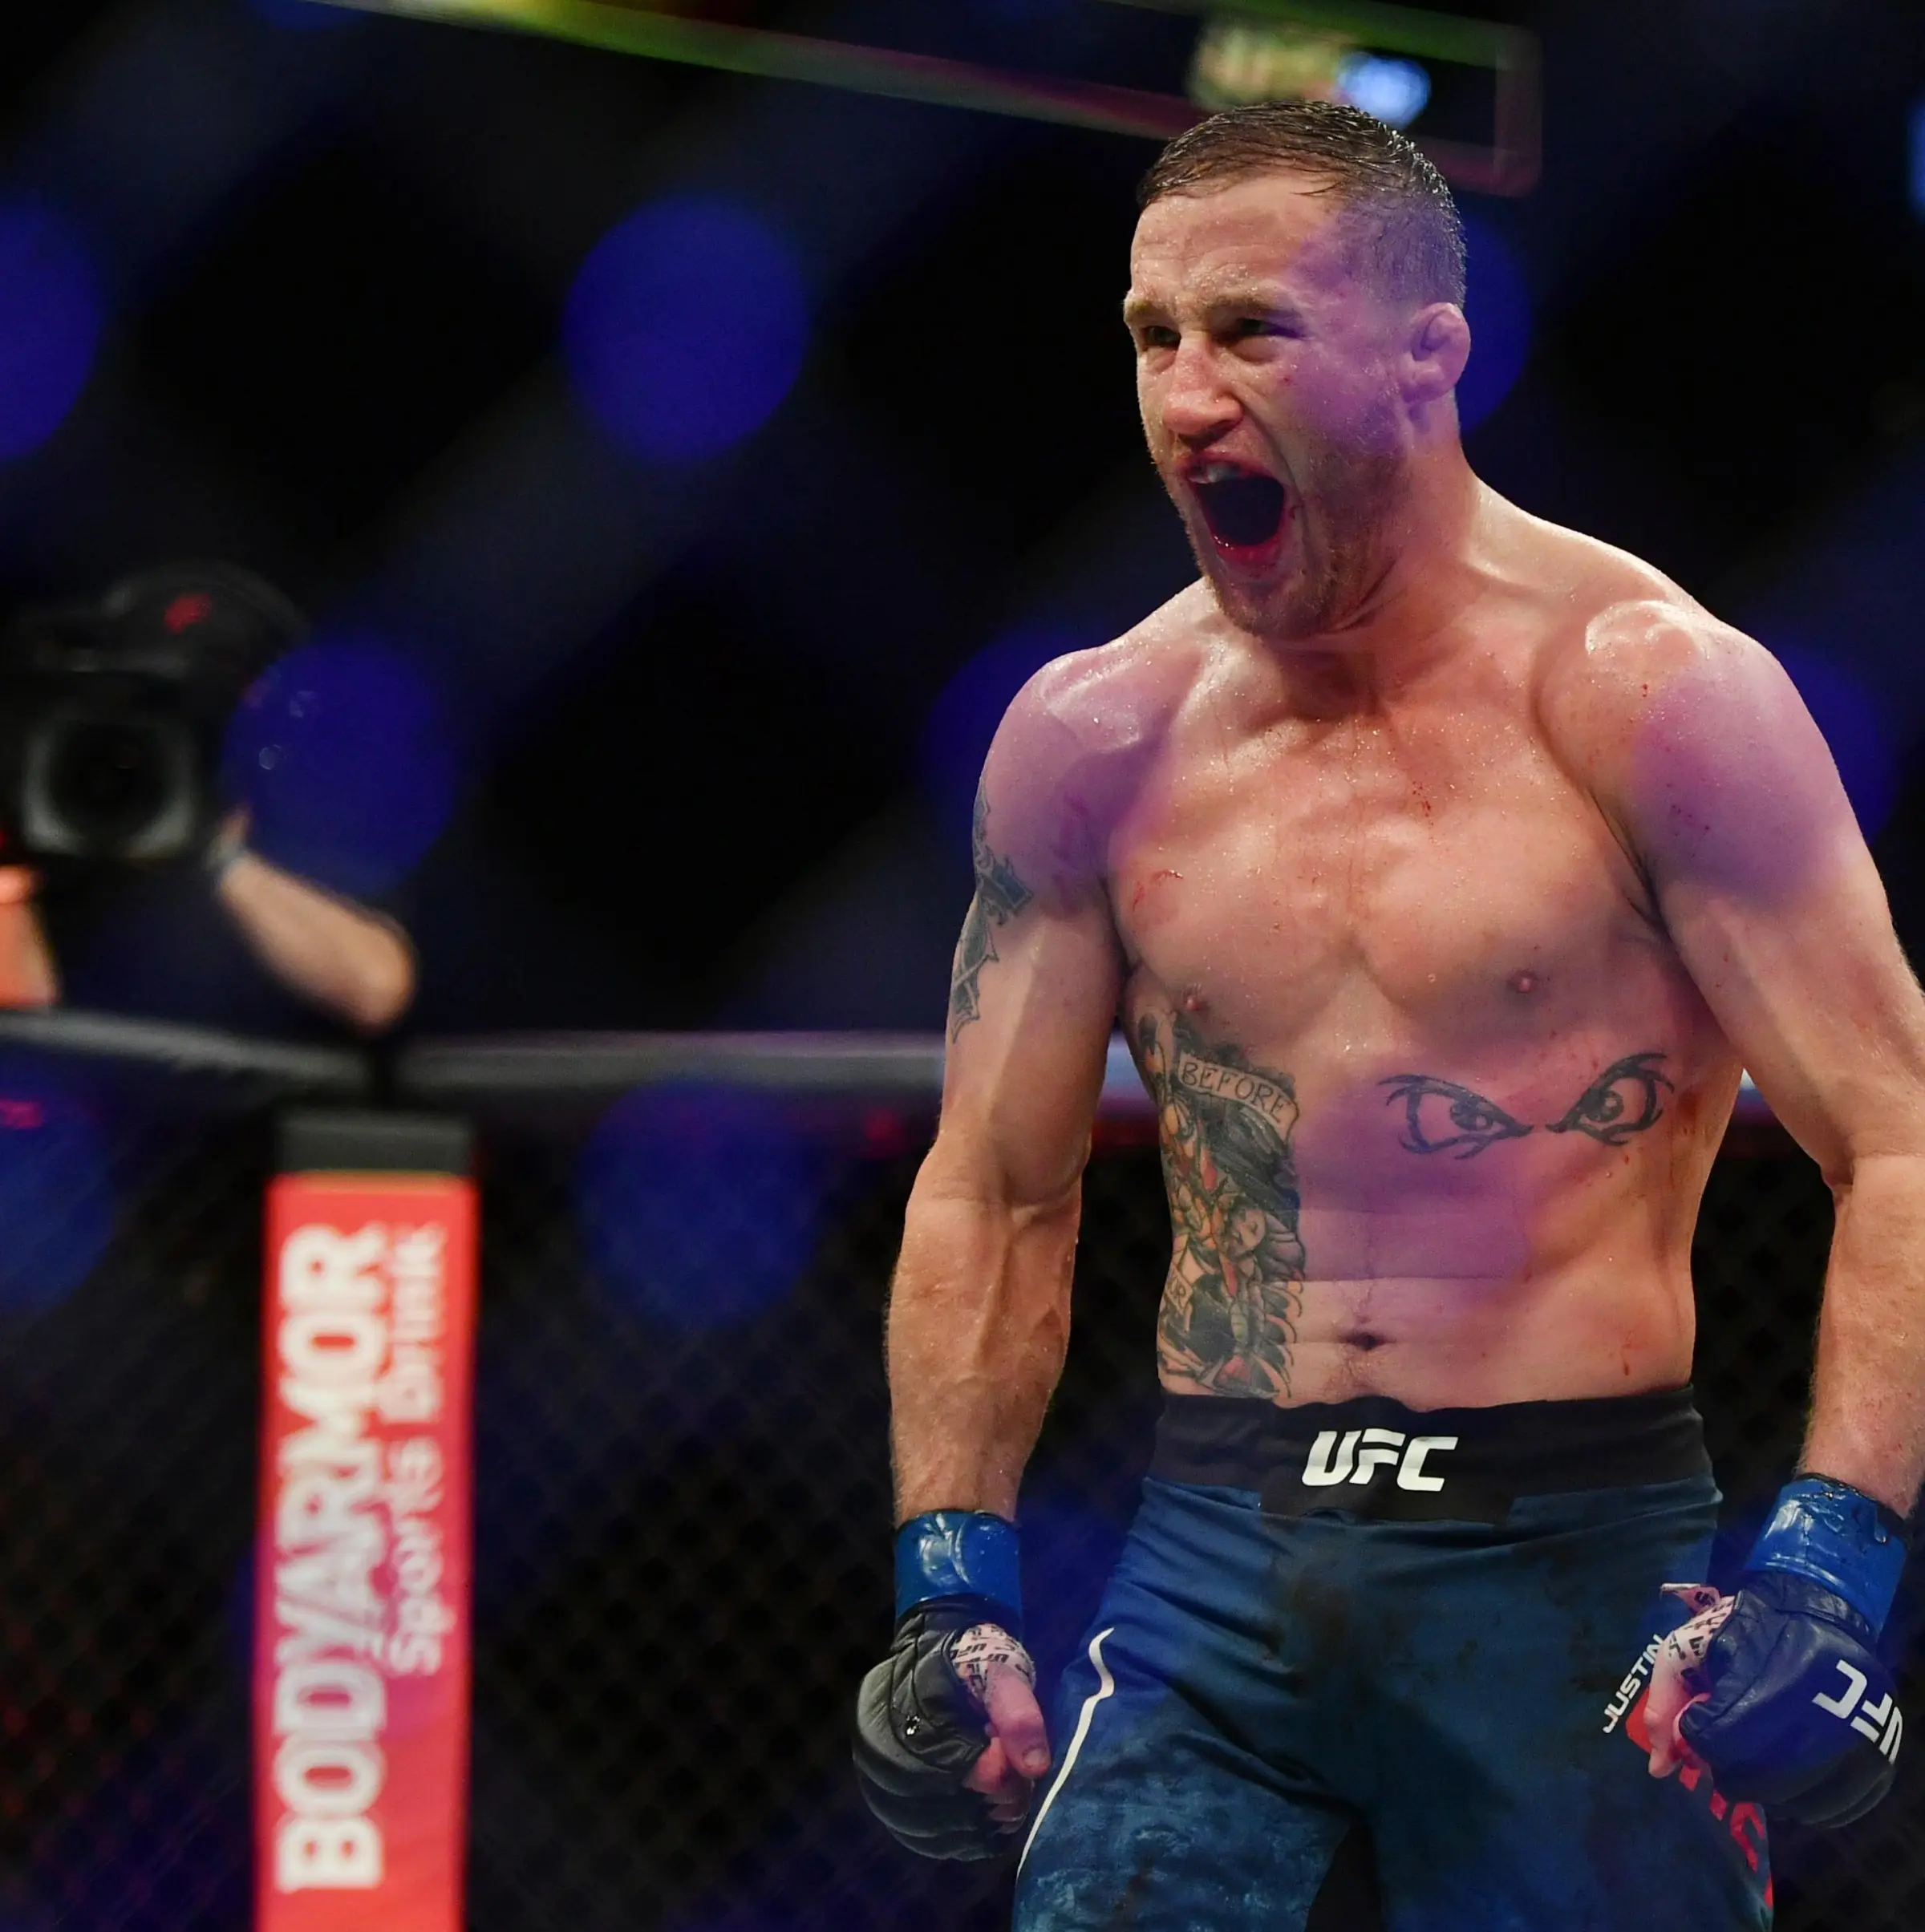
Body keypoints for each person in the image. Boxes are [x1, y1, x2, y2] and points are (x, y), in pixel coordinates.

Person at [853, 100, 1925, 1929]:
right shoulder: (1093, 740)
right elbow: (994, 1186)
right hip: (1215, 1571)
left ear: (1429, 351)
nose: (1187, 396)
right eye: (1152, 337)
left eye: (1249, 331)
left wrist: (1826, 1568)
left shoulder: (1648, 698)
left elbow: (1897, 1136)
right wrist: (947, 1585)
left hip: (1568, 1562)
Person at [0, 565, 414, 1035]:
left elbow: (375, 990)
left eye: (211, 731)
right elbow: (20, 1017)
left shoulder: (303, 840)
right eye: (154, 709)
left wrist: (217, 857)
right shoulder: (54, 803)